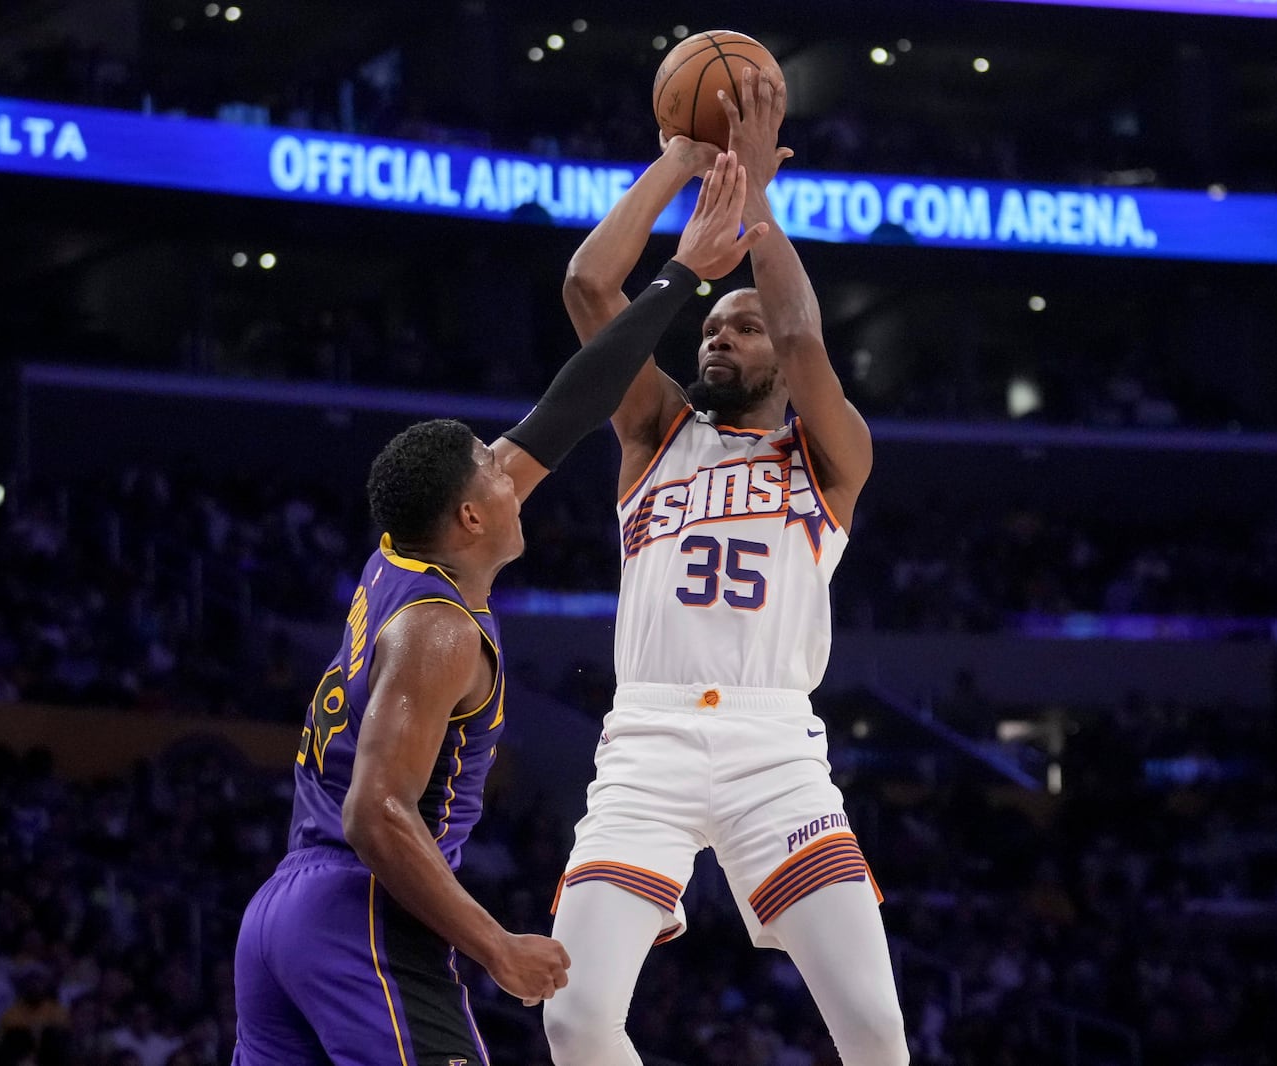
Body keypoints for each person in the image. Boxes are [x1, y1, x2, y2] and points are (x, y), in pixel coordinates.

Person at [231, 152, 768, 1066]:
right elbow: (377, 812)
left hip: (281, 914)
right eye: (492, 463)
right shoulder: (439, 628)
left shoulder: (406, 553)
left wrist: (680, 239)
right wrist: (496, 948)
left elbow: (571, 401)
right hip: (359, 914)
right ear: (473, 514)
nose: (513, 463)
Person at [543, 68, 909, 1065]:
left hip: (774, 753)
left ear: (783, 370)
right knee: (574, 1019)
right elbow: (587, 287)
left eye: (736, 327)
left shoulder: (828, 456)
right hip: (647, 743)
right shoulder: (654, 428)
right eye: (709, 325)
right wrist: (676, 161)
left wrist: (756, 211)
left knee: (874, 1028)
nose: (719, 335)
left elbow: (799, 328)